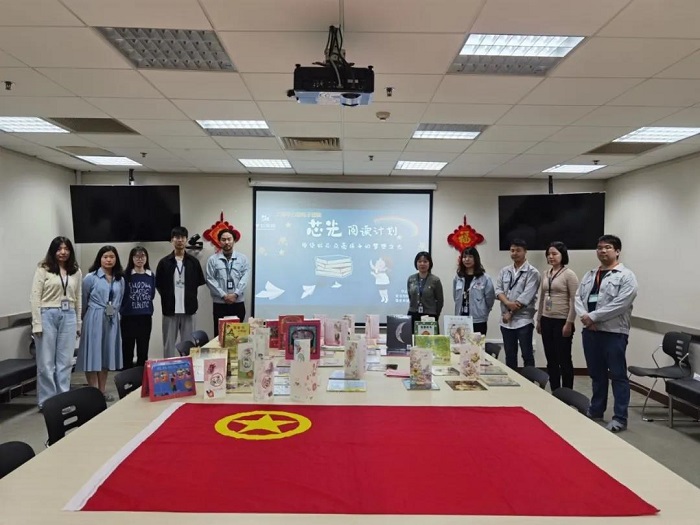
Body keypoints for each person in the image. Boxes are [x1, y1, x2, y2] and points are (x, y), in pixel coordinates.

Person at [575, 234, 638, 433]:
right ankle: (596, 410)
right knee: (597, 375)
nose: (603, 251)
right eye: (600, 247)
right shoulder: (590, 275)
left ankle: (620, 418)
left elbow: (621, 304)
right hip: (591, 332)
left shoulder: (626, 276)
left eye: (608, 247)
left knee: (618, 376)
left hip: (614, 333)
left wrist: (593, 317)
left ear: (617, 251)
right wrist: (585, 317)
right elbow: (578, 297)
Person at [30, 236, 82, 410]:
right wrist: (37, 323)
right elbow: (35, 297)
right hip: (47, 315)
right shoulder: (43, 269)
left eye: (66, 248)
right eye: (59, 249)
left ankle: (63, 400)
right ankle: (47, 402)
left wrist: (78, 323)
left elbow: (78, 298)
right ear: (53, 251)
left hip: (69, 315)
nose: (63, 252)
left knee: (65, 362)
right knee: (46, 363)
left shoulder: (76, 271)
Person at [76, 245, 125, 401]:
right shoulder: (91, 278)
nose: (108, 260)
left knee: (105, 355)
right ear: (100, 259)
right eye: (105, 257)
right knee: (92, 355)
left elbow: (120, 300)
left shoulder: (120, 279)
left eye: (112, 257)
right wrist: (82, 321)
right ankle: (93, 392)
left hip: (111, 320)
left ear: (116, 259)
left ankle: (102, 391)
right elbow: (83, 301)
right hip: (94, 317)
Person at [156, 226, 206, 356]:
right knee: (168, 344)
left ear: (186, 240)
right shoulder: (164, 262)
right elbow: (159, 285)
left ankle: (188, 367)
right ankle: (168, 367)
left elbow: (198, 282)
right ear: (171, 240)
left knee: (189, 345)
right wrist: (168, 297)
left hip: (189, 309)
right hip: (170, 310)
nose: (180, 240)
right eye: (177, 237)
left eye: (183, 237)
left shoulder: (194, 262)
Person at [536, 242, 579, 391]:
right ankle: (555, 390)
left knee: (564, 359)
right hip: (546, 319)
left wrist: (569, 322)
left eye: (554, 254)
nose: (551, 256)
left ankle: (566, 392)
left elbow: (574, 300)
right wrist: (539, 319)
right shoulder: (546, 273)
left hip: (562, 321)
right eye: (549, 254)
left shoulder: (569, 274)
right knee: (551, 358)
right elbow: (542, 298)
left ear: (562, 255)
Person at [495, 239, 541, 369]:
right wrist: (507, 303)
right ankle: (512, 380)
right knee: (510, 355)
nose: (515, 253)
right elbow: (498, 290)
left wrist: (510, 312)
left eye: (518, 250)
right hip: (506, 320)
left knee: (527, 354)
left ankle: (529, 381)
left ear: (525, 252)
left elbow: (526, 296)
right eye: (512, 250)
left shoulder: (533, 272)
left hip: (523, 320)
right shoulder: (505, 271)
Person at [205, 228, 250, 336]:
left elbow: (245, 277)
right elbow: (210, 279)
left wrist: (236, 294)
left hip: (237, 302)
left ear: (234, 240)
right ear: (219, 241)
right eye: (223, 239)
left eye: (229, 239)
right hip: (220, 304)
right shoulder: (212, 260)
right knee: (220, 335)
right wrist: (224, 295)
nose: (226, 242)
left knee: (237, 335)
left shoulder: (243, 259)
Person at [120, 246, 156, 368]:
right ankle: (127, 375)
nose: (140, 259)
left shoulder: (150, 275)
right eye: (136, 256)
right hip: (128, 317)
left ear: (146, 258)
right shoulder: (125, 275)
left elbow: (152, 295)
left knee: (143, 350)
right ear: (132, 258)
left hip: (145, 317)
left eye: (142, 256)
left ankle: (142, 376)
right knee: (127, 349)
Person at [452, 246, 496, 336]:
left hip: (478, 319)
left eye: (470, 257)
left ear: (476, 258)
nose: (467, 259)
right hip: (461, 318)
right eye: (464, 257)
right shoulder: (458, 277)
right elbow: (455, 297)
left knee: (477, 344)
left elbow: (490, 299)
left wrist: (483, 311)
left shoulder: (485, 278)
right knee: (461, 344)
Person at [407, 251, 444, 329]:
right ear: (416, 263)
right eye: (419, 261)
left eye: (425, 261)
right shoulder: (411, 279)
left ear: (430, 263)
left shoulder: (435, 280)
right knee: (412, 336)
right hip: (413, 314)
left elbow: (440, 301)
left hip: (430, 316)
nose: (422, 264)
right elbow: (410, 297)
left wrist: (435, 315)